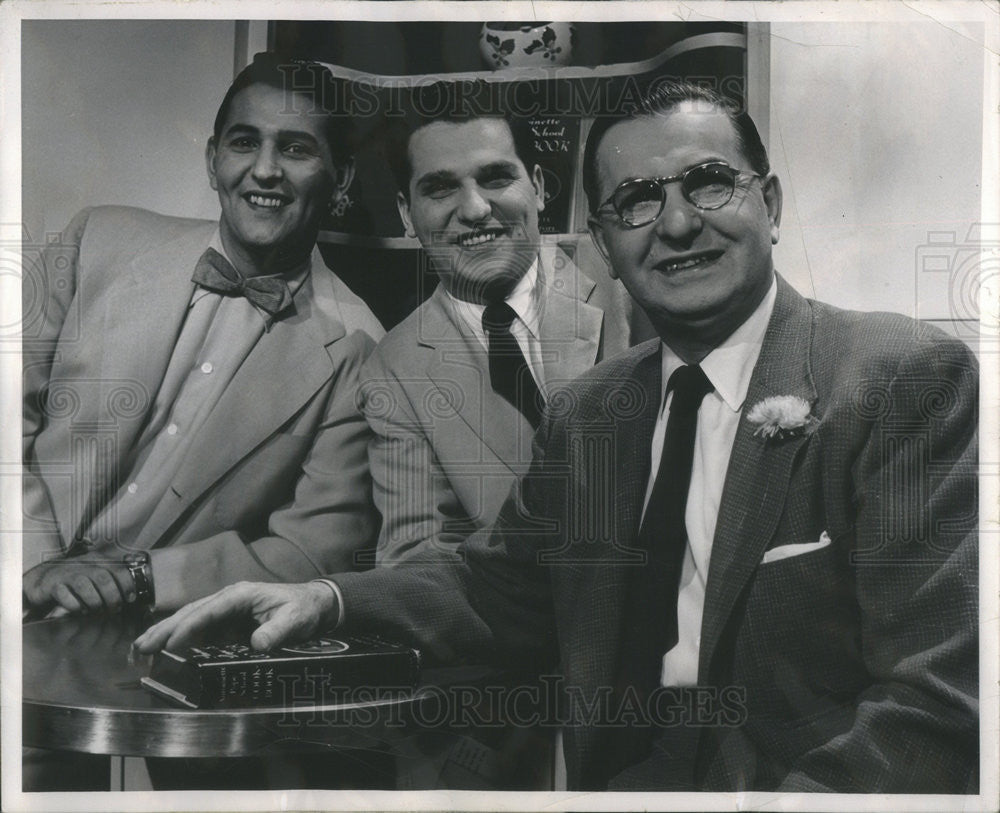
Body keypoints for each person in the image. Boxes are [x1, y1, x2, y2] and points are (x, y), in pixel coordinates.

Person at [136, 81, 978, 793]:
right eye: (638, 202)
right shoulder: (593, 414)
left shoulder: (898, 378)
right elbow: (496, 585)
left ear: (774, 202)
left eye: (710, 184)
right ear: (606, 240)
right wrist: (325, 598)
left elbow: (936, 710)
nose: (677, 224)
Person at [22, 52, 384, 618]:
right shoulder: (93, 239)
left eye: (295, 148)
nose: (265, 170)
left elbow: (314, 549)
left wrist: (138, 579)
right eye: (244, 143)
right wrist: (31, 560)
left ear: (341, 177)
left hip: (148, 632)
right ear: (213, 159)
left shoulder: (361, 349)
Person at [360, 90, 634, 565]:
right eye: (441, 188)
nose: (475, 209)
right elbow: (418, 563)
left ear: (541, 188)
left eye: (495, 177)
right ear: (407, 214)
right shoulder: (393, 369)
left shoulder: (628, 281)